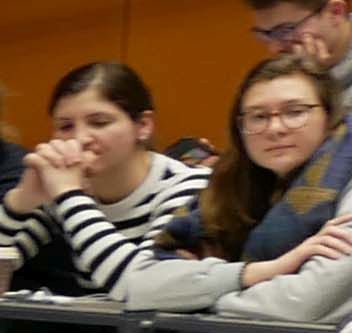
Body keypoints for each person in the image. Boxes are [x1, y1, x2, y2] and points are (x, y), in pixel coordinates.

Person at [119, 53, 352, 323]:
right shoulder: (234, 185)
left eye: (295, 112)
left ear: (329, 117)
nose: (275, 128)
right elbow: (140, 283)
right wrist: (259, 272)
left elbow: (304, 303)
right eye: (258, 117)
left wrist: (189, 298)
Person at [8, 64, 206, 299]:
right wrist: (20, 202)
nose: (80, 138)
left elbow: (142, 285)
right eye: (65, 126)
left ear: (143, 126)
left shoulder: (190, 186)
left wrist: (70, 195)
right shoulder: (66, 191)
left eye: (99, 123)